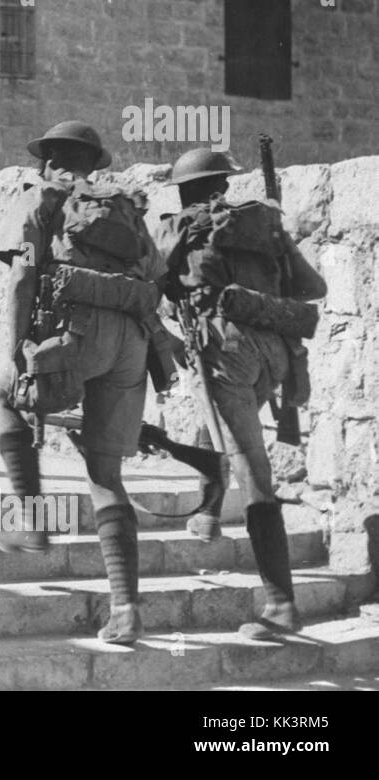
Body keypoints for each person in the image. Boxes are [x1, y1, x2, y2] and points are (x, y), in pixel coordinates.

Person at [0, 120, 167, 645]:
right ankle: (127, 609)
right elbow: (155, 274)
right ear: (94, 164)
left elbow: (23, 276)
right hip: (131, 341)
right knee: (106, 473)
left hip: (72, 334)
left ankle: (33, 523)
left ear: (48, 160)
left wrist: (14, 354)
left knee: (3, 398)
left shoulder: (40, 197)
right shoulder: (127, 206)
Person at [154, 147, 327, 640]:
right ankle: (208, 514)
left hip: (223, 350)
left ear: (184, 189)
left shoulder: (175, 228)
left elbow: (147, 286)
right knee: (221, 424)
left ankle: (281, 605)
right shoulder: (263, 224)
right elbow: (312, 287)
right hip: (275, 353)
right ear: (225, 186)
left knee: (253, 467)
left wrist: (170, 334)